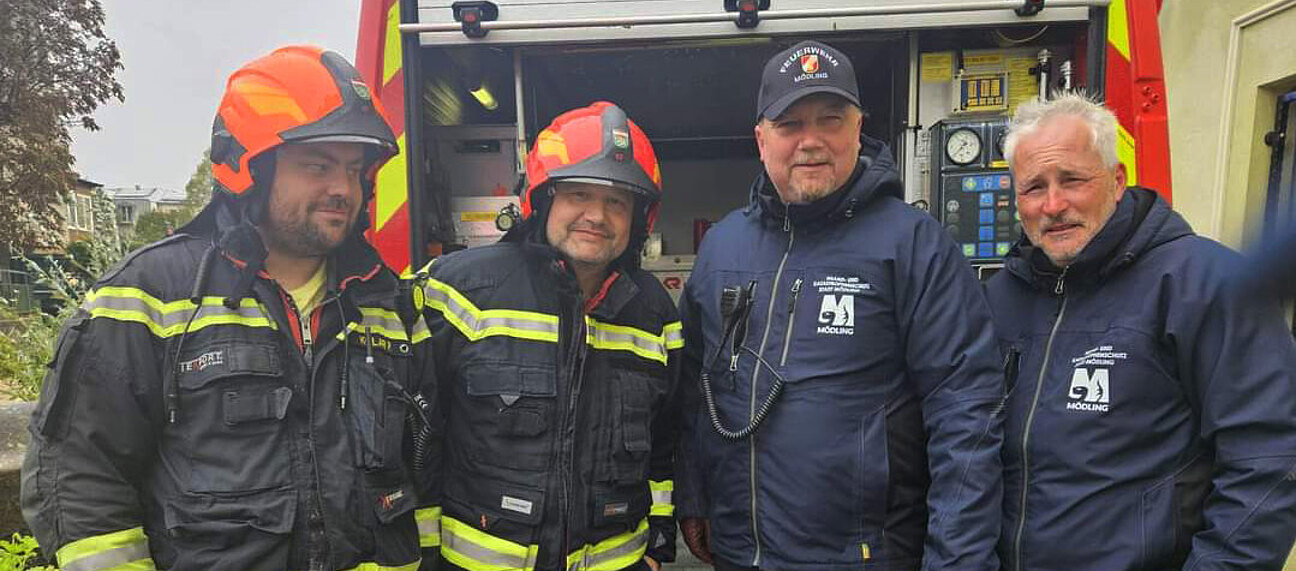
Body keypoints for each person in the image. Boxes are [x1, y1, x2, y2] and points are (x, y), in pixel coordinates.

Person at [21, 46, 440, 570]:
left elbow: (424, 472)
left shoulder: (386, 300)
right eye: (318, 165)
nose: (343, 188)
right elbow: (80, 474)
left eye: (355, 170)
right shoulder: (150, 293)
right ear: (251, 168)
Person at [676, 40, 1004, 569]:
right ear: (762, 140)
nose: (811, 141)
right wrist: (693, 497)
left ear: (858, 129)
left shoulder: (914, 246)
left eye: (830, 120)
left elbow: (966, 414)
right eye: (790, 125)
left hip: (863, 556)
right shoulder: (721, 246)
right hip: (740, 553)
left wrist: (958, 560)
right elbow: (695, 386)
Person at [988, 92, 1296, 570]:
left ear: (1116, 181)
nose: (1053, 204)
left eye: (1072, 180)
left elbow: (1271, 459)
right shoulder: (1003, 297)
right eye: (1033, 188)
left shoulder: (1204, 284)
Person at [413, 101, 681, 571]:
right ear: (544, 199)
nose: (596, 215)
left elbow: (666, 441)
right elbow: (417, 439)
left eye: (616, 201)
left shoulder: (655, 312)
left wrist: (658, 541)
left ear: (639, 219)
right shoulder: (457, 290)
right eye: (579, 194)